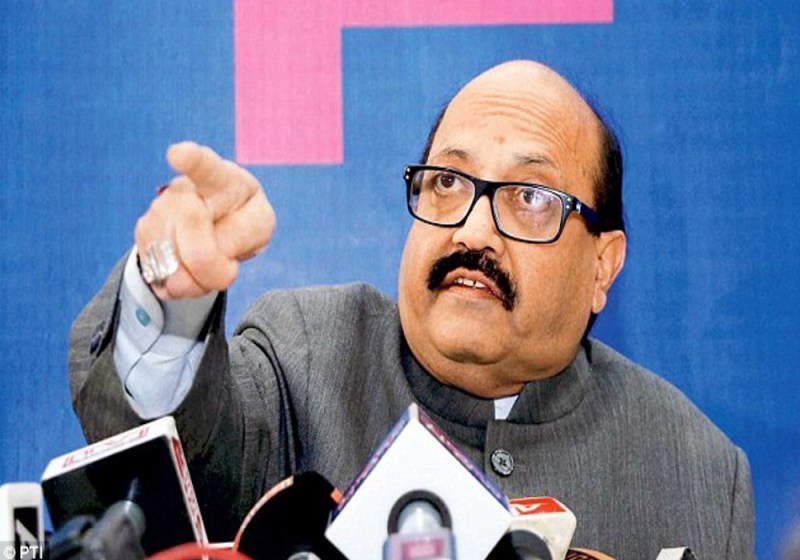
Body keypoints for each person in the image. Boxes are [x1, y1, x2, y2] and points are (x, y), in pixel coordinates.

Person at [69, 60, 754, 558]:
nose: (473, 232)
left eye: (530, 197)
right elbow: (163, 453)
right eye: (448, 181)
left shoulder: (698, 473)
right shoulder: (302, 358)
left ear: (603, 265)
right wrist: (171, 298)